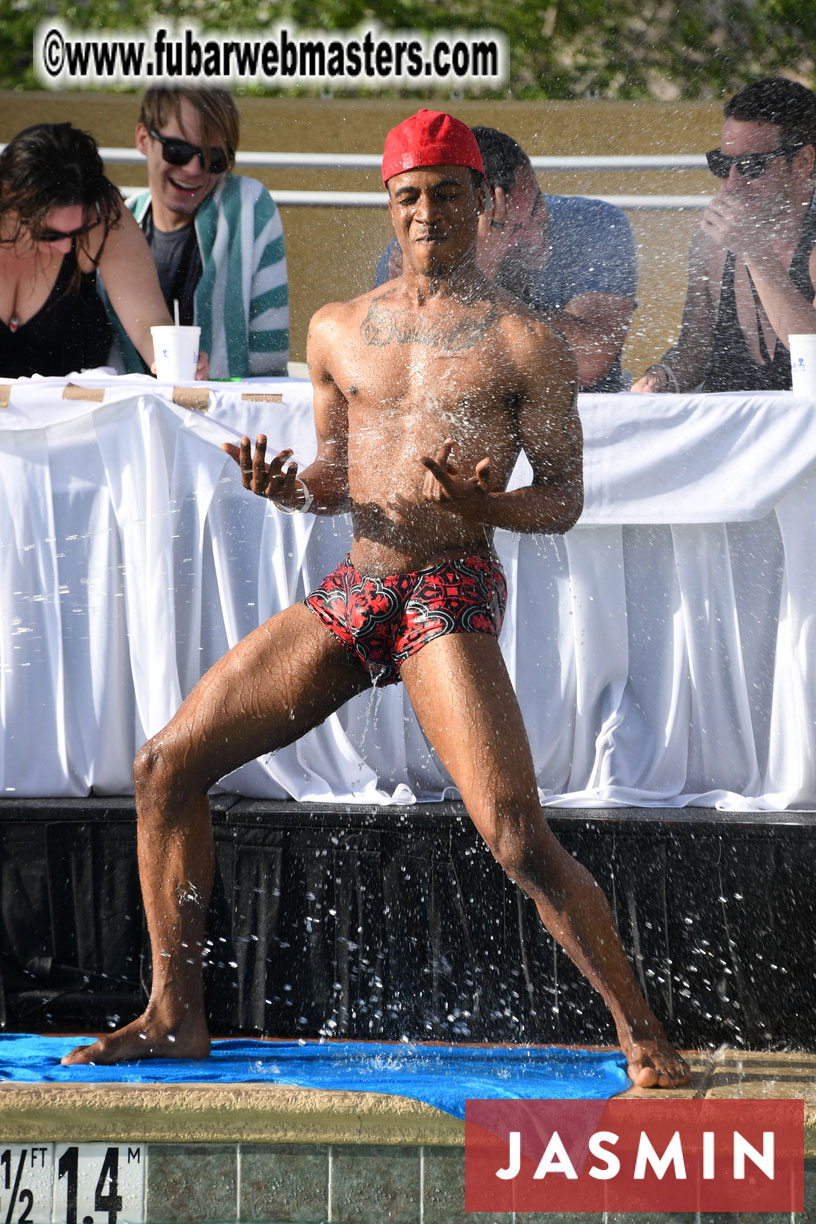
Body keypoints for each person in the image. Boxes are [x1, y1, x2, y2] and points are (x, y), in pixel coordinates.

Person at [63, 109, 688, 1089]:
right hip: (359, 589)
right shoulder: (336, 329)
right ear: (388, 207)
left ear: (482, 203)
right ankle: (173, 1015)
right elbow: (337, 476)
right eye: (410, 196)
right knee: (165, 764)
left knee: (517, 836)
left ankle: (646, 1037)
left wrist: (495, 503)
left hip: (448, 592)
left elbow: (564, 501)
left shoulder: (527, 343)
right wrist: (289, 488)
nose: (429, 211)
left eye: (447, 193)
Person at [374, 124, 637, 391]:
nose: (536, 237)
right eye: (513, 229)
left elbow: (589, 359)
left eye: (536, 207)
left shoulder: (592, 226)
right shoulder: (415, 250)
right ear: (465, 221)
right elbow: (415, 374)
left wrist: (472, 289)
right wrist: (475, 270)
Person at [633, 77, 816, 393]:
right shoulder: (712, 243)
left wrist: (755, 252)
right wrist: (662, 378)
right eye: (722, 163)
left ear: (802, 162)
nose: (731, 183)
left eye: (750, 165)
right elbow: (696, 349)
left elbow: (811, 358)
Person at [108, 86, 289, 379]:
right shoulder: (119, 224)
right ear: (143, 139)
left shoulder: (249, 206)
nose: (194, 169)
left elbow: (269, 359)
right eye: (177, 151)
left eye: (213, 158)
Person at [0, 122, 173, 379]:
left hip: (77, 412)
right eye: (48, 234)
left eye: (78, 231)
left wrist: (171, 360)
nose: (66, 246)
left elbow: (148, 324)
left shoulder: (104, 215)